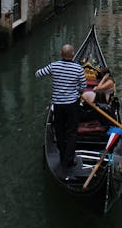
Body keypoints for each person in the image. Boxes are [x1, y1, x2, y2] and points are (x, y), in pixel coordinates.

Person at [35, 44, 87, 174]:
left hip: (58, 105)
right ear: (73, 54)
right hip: (72, 105)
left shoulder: (54, 66)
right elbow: (83, 86)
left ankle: (63, 156)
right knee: (71, 133)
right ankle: (68, 161)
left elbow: (38, 74)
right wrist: (76, 91)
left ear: (61, 54)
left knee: (59, 132)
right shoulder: (78, 68)